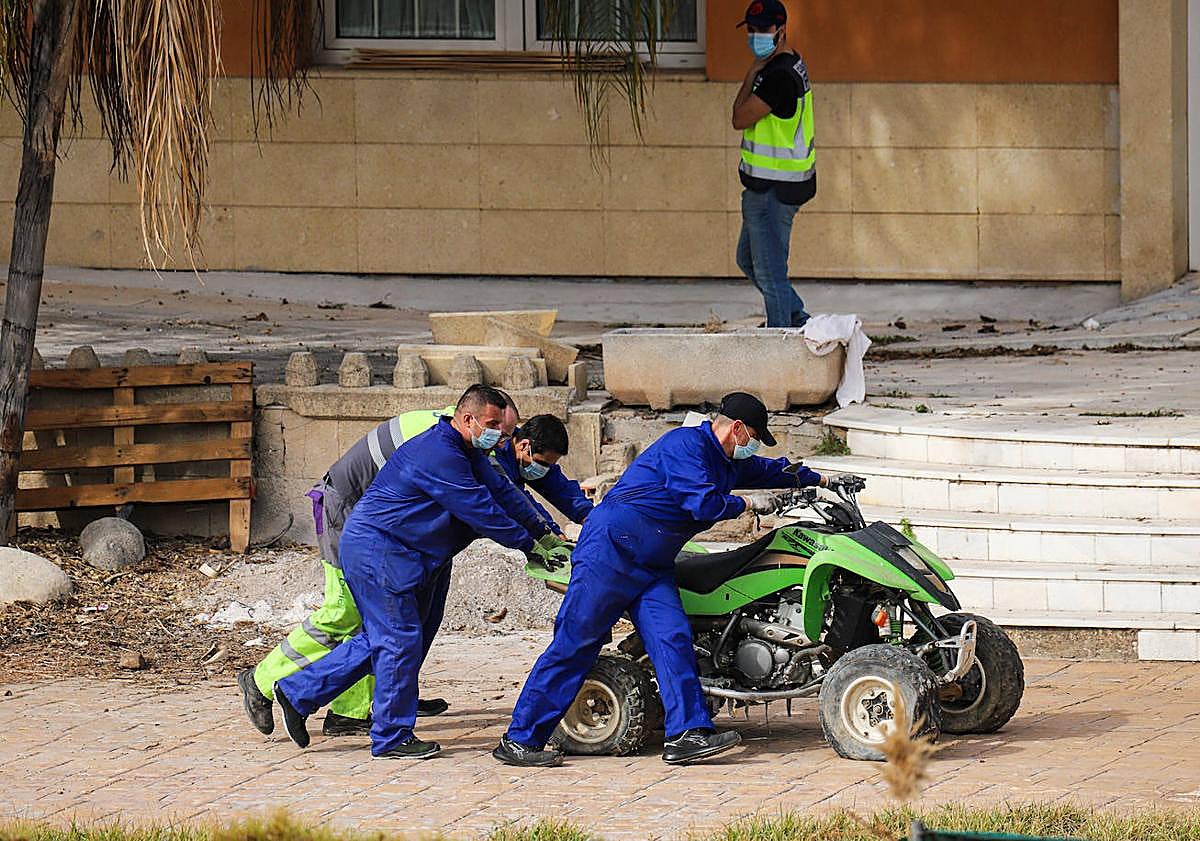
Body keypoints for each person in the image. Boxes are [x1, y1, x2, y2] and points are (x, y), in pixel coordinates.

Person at [494, 392, 830, 768]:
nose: (753, 446)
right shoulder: (684, 447)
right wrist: (749, 504)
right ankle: (520, 739)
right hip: (610, 554)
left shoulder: (727, 459)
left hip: (653, 565)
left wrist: (822, 478)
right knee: (575, 645)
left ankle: (686, 734)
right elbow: (702, 503)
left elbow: (769, 471)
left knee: (672, 638)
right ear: (736, 429)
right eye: (753, 437)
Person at [237, 391, 565, 739]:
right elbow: (480, 509)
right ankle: (381, 731)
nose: (500, 436)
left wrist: (546, 534)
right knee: (364, 624)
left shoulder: (470, 450)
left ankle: (310, 696)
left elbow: (504, 494)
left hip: (409, 552)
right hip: (373, 542)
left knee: (395, 634)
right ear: (468, 419)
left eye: (505, 430)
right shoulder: (441, 451)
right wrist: (530, 545)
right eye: (494, 426)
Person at [731, 0, 817, 328]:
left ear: (781, 30)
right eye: (751, 30)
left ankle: (781, 340)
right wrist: (756, 70)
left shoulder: (778, 76)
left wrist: (751, 72)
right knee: (750, 261)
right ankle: (795, 316)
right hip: (776, 184)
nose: (755, 37)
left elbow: (739, 118)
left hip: (774, 189)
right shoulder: (791, 63)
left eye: (762, 30)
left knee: (770, 272)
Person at [492, 414, 593, 531]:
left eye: (548, 465)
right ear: (524, 446)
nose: (543, 469)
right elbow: (518, 499)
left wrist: (589, 516)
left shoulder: (533, 454)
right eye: (541, 463)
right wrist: (550, 529)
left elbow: (560, 489)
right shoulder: (495, 458)